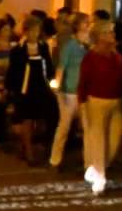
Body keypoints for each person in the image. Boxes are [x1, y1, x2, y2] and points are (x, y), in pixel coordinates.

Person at [78, 19, 122, 195]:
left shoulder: (117, 56)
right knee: (98, 140)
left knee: (114, 139)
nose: (112, 35)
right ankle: (100, 179)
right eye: (109, 32)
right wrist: (82, 103)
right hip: (96, 100)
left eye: (112, 32)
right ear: (99, 36)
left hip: (116, 101)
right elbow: (83, 82)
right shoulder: (91, 57)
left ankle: (96, 167)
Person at [5, 16, 57, 165]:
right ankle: (29, 152)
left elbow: (49, 66)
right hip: (24, 88)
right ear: (25, 31)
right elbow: (13, 70)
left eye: (37, 30)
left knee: (39, 118)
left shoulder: (43, 46)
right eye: (32, 30)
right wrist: (10, 89)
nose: (34, 33)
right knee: (27, 118)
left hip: (40, 86)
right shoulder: (17, 49)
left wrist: (51, 80)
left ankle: (26, 145)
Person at [49, 12, 91, 171]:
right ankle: (55, 159)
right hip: (69, 92)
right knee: (64, 126)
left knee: (87, 128)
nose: (88, 25)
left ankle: (88, 162)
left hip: (83, 92)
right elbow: (62, 67)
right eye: (85, 23)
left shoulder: (86, 46)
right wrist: (58, 87)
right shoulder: (70, 46)